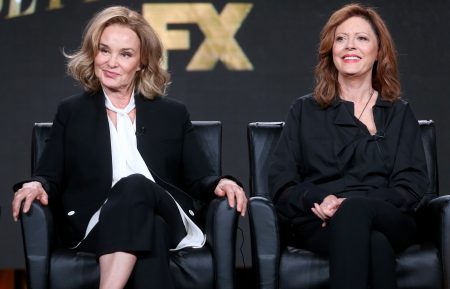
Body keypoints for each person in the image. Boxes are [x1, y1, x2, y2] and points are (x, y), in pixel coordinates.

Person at [11, 6, 247, 289]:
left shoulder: (172, 114)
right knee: (151, 231)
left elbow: (198, 177)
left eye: (125, 54)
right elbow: (49, 174)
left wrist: (221, 182)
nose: (111, 62)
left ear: (142, 63)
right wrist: (36, 185)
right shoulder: (71, 112)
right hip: (98, 223)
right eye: (104, 50)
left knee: (134, 185)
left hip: (168, 214)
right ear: (93, 54)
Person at [269, 3, 428, 289]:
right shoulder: (305, 111)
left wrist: (359, 204)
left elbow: (412, 185)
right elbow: (282, 182)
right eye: (341, 39)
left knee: (356, 212)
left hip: (388, 216)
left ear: (379, 52)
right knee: (376, 244)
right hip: (323, 222)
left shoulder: (398, 113)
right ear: (331, 50)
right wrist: (318, 198)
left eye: (362, 38)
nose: (349, 46)